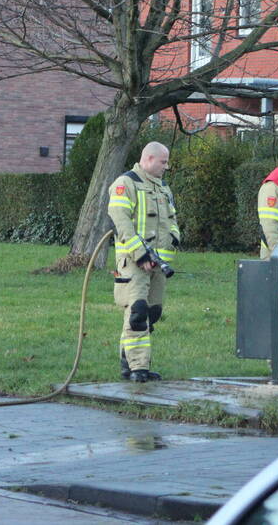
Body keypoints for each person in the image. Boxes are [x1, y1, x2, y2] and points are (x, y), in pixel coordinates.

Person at [107, 141, 180, 383]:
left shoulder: (163, 188)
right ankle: (138, 368)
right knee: (137, 313)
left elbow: (171, 220)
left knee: (152, 313)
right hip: (133, 263)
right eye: (163, 162)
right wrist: (141, 255)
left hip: (158, 266)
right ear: (148, 159)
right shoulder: (125, 184)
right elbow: (121, 221)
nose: (166, 167)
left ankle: (128, 363)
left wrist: (174, 241)